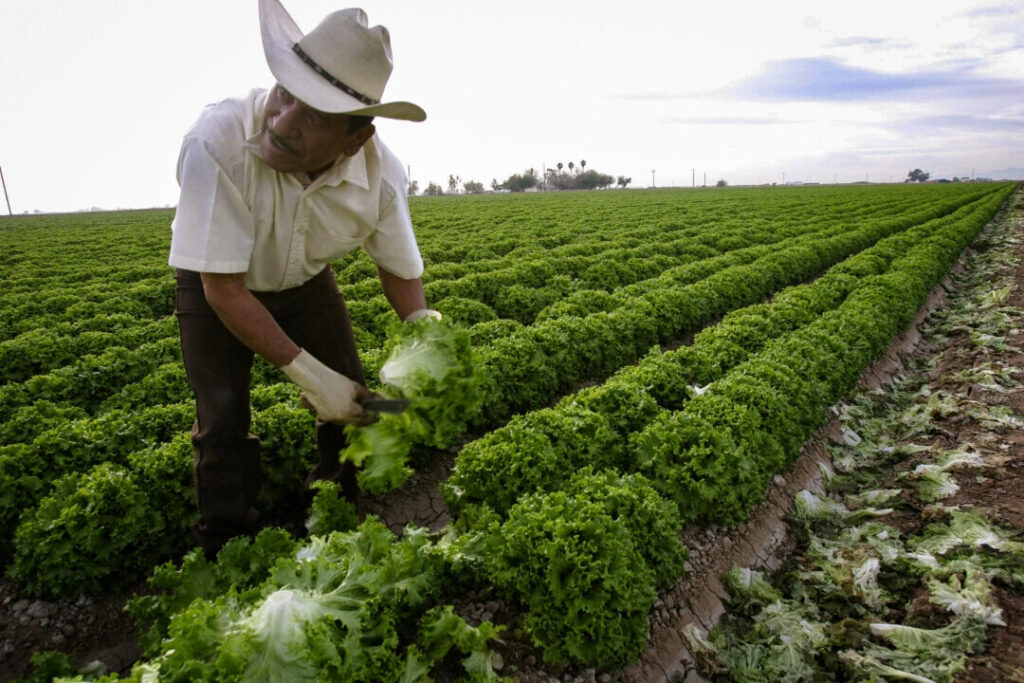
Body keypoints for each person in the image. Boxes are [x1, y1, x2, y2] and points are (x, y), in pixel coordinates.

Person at [168, 0, 438, 557]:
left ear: (355, 138)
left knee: (355, 393)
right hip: (215, 284)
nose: (283, 124)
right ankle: (227, 541)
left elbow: (397, 269)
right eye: (285, 93)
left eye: (315, 116)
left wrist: (427, 333)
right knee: (221, 416)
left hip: (307, 281)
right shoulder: (215, 141)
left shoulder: (382, 178)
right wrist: (312, 382)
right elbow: (225, 291)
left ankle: (335, 503)